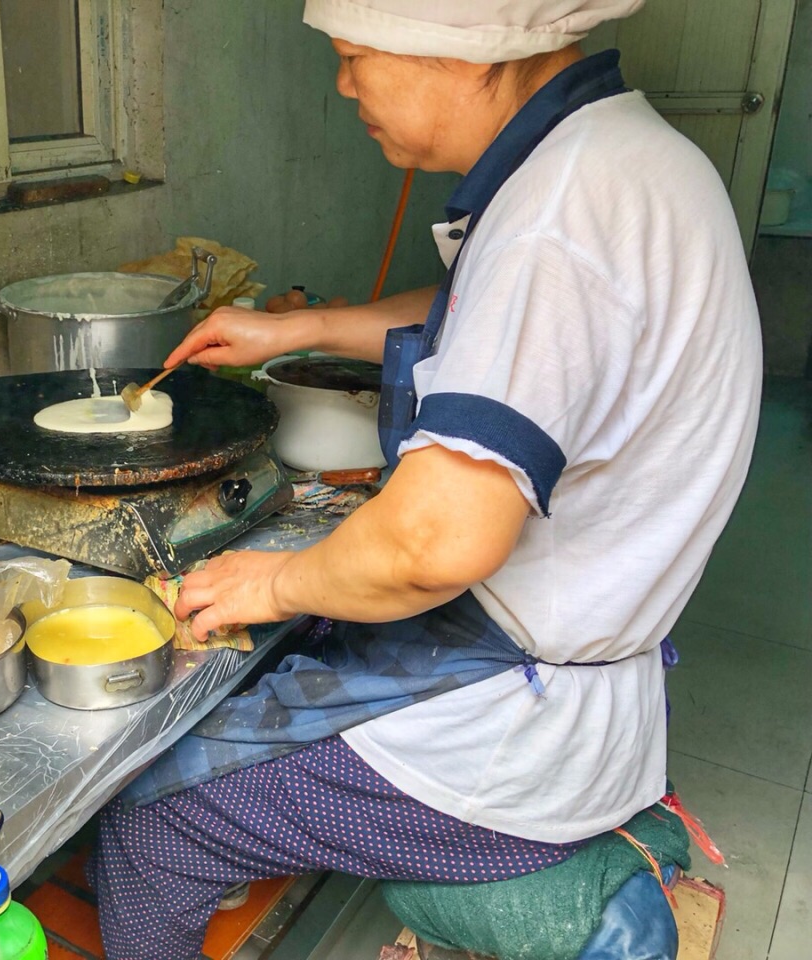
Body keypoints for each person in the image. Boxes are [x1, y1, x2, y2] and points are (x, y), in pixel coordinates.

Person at [87, 2, 763, 958]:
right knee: (296, 645)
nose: (344, 83)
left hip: (514, 735)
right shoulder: (622, 156)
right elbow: (484, 314)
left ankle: (223, 849)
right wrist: (299, 329)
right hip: (582, 676)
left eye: (358, 56)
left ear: (466, 55)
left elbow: (433, 543)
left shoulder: (556, 224)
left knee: (155, 821)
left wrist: (274, 580)